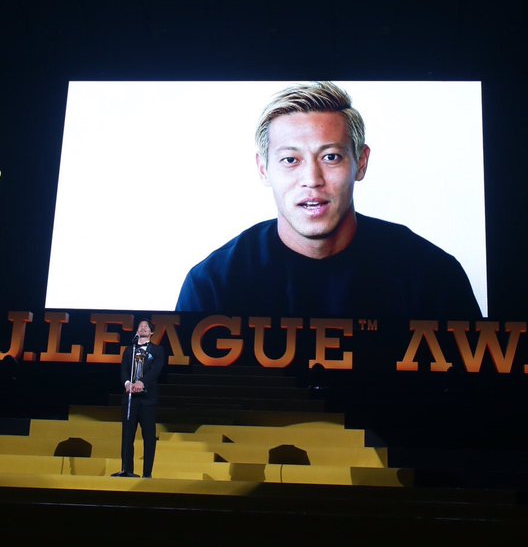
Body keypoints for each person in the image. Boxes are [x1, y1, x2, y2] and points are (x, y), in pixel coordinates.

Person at [175, 81, 482, 319]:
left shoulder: (431, 276)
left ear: (361, 163)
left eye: (331, 157)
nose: (312, 179)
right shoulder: (214, 284)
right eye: (290, 160)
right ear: (263, 169)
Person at [113, 318, 164, 478]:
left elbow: (156, 370)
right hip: (130, 399)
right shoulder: (130, 350)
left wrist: (142, 382)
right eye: (140, 326)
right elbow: (123, 369)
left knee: (149, 436)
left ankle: (147, 473)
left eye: (146, 326)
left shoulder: (157, 350)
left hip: (148, 399)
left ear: (151, 332)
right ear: (137, 331)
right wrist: (127, 383)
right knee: (127, 435)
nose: (142, 328)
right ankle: (127, 469)